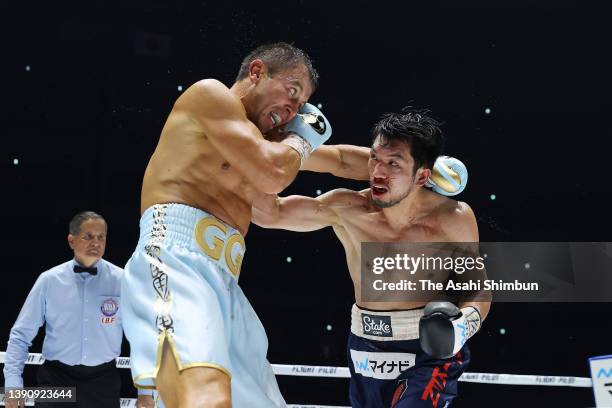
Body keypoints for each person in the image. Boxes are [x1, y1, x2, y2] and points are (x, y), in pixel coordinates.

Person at [121, 42, 374, 408]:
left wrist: (410, 169)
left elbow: (337, 160)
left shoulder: (266, 144)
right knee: (204, 393)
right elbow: (272, 173)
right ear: (256, 72)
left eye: (301, 107)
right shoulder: (209, 96)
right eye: (291, 92)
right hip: (175, 258)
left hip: (225, 280)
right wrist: (302, 138)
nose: (293, 111)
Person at [253, 108, 491, 407]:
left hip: (429, 351)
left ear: (423, 176)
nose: (379, 171)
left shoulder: (453, 218)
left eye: (394, 163)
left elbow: (478, 288)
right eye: (375, 159)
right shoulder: (347, 209)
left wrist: (463, 326)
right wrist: (265, 151)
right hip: (364, 344)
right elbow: (268, 213)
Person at [3, 211, 154, 408]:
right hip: (56, 380)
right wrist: (13, 386)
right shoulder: (49, 281)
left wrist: (145, 391)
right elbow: (20, 335)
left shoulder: (122, 281)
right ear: (71, 241)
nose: (96, 243)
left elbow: (140, 337)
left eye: (101, 237)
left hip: (103, 382)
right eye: (88, 236)